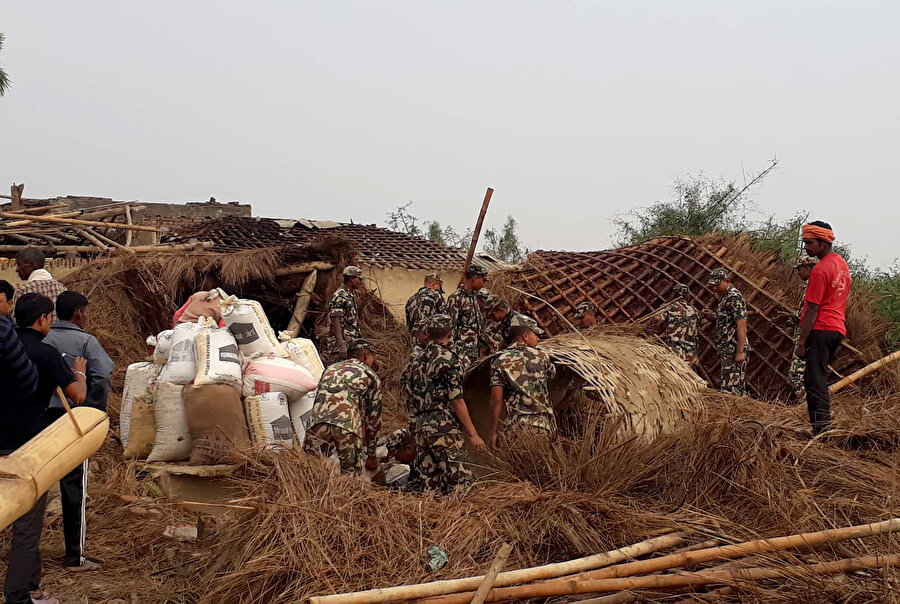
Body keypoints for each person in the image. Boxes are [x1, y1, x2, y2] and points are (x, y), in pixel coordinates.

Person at [3, 293, 87, 604]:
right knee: (26, 525)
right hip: (27, 453)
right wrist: (78, 370)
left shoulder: (5, 348)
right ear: (44, 320)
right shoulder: (46, 353)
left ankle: (32, 582)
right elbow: (77, 395)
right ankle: (18, 595)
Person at [43, 291, 115, 573]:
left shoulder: (43, 339)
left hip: (39, 419)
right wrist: (94, 412)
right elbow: (102, 375)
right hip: (71, 417)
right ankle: (75, 555)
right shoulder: (86, 341)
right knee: (74, 485)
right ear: (79, 313)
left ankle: (24, 552)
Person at [408, 314, 485, 493]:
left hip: (420, 429)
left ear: (428, 333)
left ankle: (432, 519)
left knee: (430, 487)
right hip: (443, 428)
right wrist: (473, 434)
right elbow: (456, 400)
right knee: (463, 484)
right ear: (450, 333)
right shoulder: (449, 358)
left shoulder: (416, 359)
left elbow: (409, 394)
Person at [795, 222, 851, 436]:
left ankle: (822, 430)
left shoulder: (820, 270)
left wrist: (801, 342)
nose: (806, 248)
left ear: (823, 242)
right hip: (837, 328)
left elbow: (813, 308)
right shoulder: (842, 266)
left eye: (809, 243)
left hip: (821, 328)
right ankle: (822, 426)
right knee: (817, 376)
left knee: (814, 379)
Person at [305, 338, 382, 474]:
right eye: (372, 356)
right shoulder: (370, 375)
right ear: (365, 356)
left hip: (317, 424)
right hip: (347, 426)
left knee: (310, 473)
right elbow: (373, 421)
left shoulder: (330, 369)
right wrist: (371, 455)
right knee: (351, 479)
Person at [488, 315, 557, 446]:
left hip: (515, 430)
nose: (538, 338)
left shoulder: (499, 361)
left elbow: (496, 400)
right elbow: (552, 374)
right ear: (525, 336)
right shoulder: (542, 357)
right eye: (535, 334)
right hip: (542, 427)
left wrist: (494, 432)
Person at [705, 268, 749, 395]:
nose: (714, 288)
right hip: (727, 348)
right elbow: (728, 321)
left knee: (732, 389)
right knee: (730, 385)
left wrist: (740, 352)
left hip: (733, 347)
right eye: (712, 286)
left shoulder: (733, 297)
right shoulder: (724, 297)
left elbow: (741, 323)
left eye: (717, 285)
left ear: (727, 281)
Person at [785, 257, 817, 402]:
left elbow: (812, 311)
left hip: (808, 337)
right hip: (808, 335)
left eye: (798, 269)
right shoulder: (810, 287)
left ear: (807, 268)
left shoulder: (814, 286)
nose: (797, 272)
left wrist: (802, 341)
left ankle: (808, 405)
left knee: (795, 375)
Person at [446, 265, 488, 370]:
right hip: (462, 353)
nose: (484, 284)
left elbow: (476, 326)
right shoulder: (456, 298)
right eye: (483, 280)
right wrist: (453, 353)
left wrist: (488, 340)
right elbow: (450, 327)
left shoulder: (474, 298)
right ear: (475, 278)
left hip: (475, 352)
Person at [13, 247, 67, 319]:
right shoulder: (61, 288)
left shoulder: (23, 291)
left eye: (19, 265)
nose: (17, 269)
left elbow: (15, 323)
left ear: (33, 265)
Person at [327, 266, 365, 360]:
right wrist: (341, 344)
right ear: (351, 279)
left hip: (351, 342)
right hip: (342, 344)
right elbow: (336, 320)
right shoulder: (340, 295)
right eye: (359, 279)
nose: (361, 282)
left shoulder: (350, 294)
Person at [658, 283, 701, 365]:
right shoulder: (696, 311)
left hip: (674, 350)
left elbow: (657, 318)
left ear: (674, 294)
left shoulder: (669, 306)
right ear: (687, 296)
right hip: (691, 353)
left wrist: (655, 330)